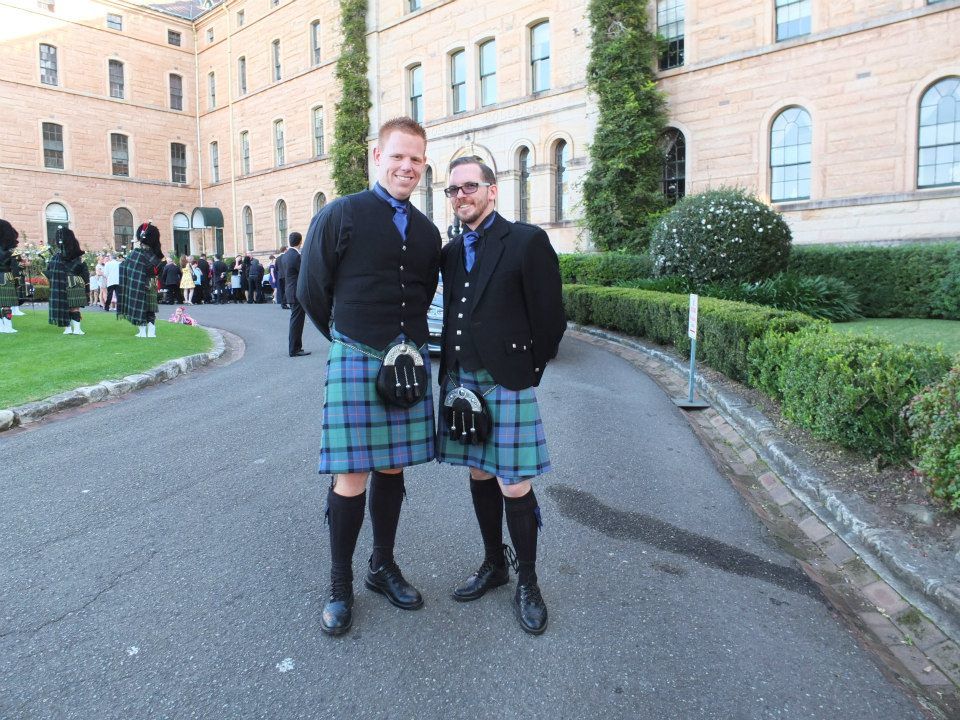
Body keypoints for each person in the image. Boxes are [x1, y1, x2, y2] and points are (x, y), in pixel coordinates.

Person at [299, 117, 441, 637]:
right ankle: (341, 584)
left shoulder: (428, 232)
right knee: (352, 476)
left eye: (416, 159)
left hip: (406, 363)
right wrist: (348, 340)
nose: (407, 166)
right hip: (356, 357)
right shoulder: (341, 214)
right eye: (398, 156)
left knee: (394, 468)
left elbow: (422, 294)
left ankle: (382, 566)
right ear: (377, 157)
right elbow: (312, 290)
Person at [436, 156, 565, 635]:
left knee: (514, 483)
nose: (461, 196)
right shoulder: (451, 251)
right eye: (453, 190)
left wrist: (527, 372)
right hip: (462, 382)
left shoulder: (526, 241)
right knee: (478, 472)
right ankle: (494, 564)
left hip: (507, 380)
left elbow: (551, 319)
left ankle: (528, 581)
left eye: (469, 186)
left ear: (492, 190)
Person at [118, 222, 165, 338]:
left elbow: (124, 267)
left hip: (138, 284)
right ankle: (151, 332)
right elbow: (159, 271)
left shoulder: (135, 254)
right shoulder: (157, 256)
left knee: (139, 307)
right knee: (150, 309)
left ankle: (142, 332)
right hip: (151, 283)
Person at [45, 226, 90, 335]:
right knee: (75, 308)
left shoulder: (55, 258)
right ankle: (77, 330)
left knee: (64, 307)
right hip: (75, 283)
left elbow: (49, 273)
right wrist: (87, 289)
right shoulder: (78, 257)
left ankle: (68, 329)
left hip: (60, 285)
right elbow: (85, 274)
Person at [281, 234, 307, 355]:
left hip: (290, 290)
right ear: (300, 241)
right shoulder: (296, 256)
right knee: (297, 321)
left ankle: (296, 347)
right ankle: (294, 349)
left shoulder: (285, 255)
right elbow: (303, 272)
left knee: (296, 320)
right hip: (296, 291)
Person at [0, 218, 20, 333]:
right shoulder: (10, 250)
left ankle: (1, 327)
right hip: (6, 276)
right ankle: (8, 327)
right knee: (6, 305)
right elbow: (14, 267)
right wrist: (17, 281)